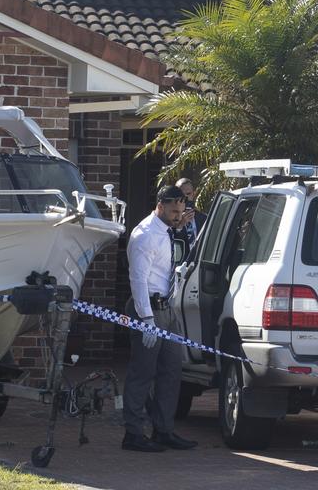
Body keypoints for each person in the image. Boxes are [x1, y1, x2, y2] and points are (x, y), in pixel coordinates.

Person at [121, 185, 199, 453]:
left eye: (181, 211)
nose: (178, 216)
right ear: (160, 206)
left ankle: (163, 430)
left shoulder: (167, 230)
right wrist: (146, 319)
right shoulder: (145, 235)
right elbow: (138, 281)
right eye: (174, 211)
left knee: (171, 371)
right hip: (149, 310)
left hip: (167, 310)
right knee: (142, 373)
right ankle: (133, 433)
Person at [175, 177, 207, 247]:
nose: (185, 198)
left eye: (188, 194)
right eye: (182, 195)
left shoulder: (204, 218)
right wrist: (180, 225)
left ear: (194, 194)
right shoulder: (169, 218)